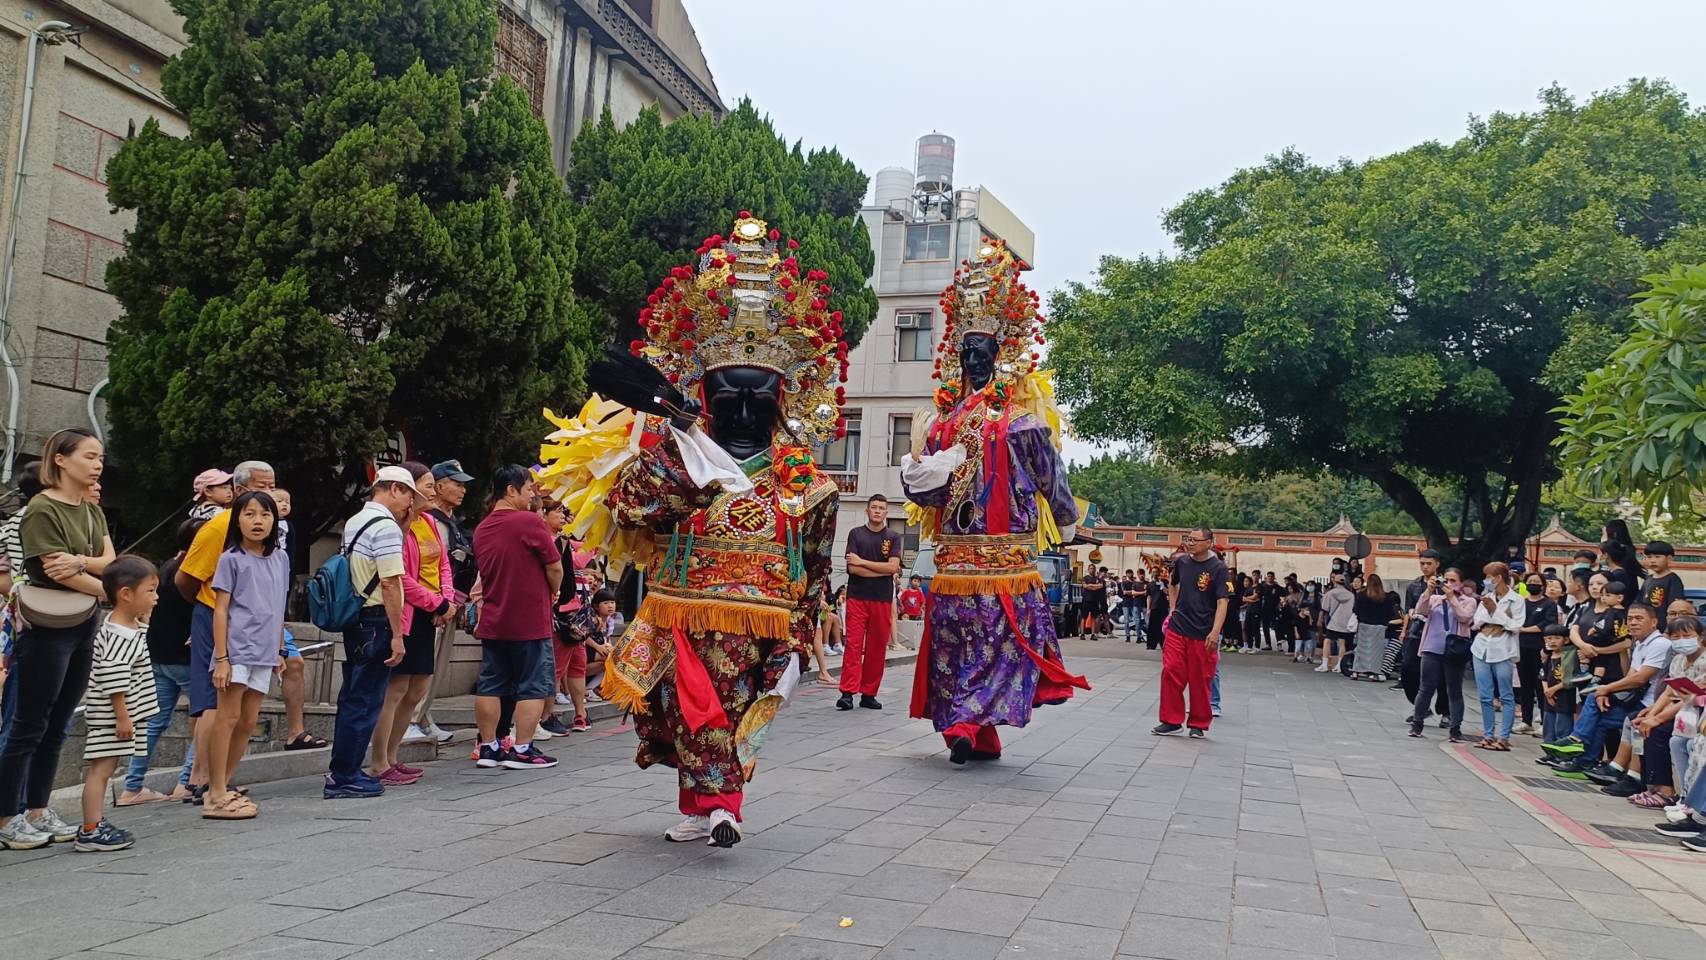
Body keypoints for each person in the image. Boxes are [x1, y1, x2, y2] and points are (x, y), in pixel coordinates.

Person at [536, 217, 842, 847]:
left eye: (762, 398)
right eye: (730, 396)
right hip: (681, 611)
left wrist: (806, 628)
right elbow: (629, 514)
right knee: (687, 711)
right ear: (706, 397)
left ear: (783, 401)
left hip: (761, 621)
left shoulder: (804, 483)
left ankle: (725, 803)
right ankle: (706, 805)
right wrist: (683, 458)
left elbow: (814, 566)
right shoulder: (674, 460)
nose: (746, 409)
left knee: (729, 711)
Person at [901, 239, 1087, 765]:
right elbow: (1046, 477)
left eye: (977, 349)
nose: (971, 358)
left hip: (980, 560)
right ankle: (966, 725)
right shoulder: (974, 422)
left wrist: (1067, 517)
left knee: (978, 645)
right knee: (978, 648)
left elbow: (1046, 473)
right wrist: (1068, 520)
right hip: (980, 560)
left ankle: (974, 729)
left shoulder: (979, 423)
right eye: (967, 349)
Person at [0, 429, 116, 849]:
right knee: (28, 722)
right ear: (61, 460)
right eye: (89, 456)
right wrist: (111, 591)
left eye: (100, 456)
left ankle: (37, 806)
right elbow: (55, 570)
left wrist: (87, 564)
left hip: (83, 621)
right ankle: (6, 815)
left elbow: (110, 561)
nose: (97, 464)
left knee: (60, 721)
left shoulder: (91, 509)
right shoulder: (41, 509)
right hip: (46, 625)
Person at [324, 466, 419, 799]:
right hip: (375, 619)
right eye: (409, 494)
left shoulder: (357, 520)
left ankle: (344, 770)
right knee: (365, 700)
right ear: (394, 489)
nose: (411, 502)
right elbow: (391, 581)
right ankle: (345, 776)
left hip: (357, 619)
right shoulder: (386, 527)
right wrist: (397, 634)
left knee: (353, 696)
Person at [204, 491, 290, 820]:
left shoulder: (280, 558)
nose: (257, 521)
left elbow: (278, 607)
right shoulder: (231, 558)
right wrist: (222, 658)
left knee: (249, 721)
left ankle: (224, 787)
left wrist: (280, 648)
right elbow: (221, 610)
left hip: (265, 651)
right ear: (236, 519)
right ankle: (214, 793)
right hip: (237, 649)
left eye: (265, 515)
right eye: (249, 514)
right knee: (227, 718)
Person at [470, 465, 563, 769]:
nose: (531, 495)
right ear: (511, 490)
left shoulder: (482, 528)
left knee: (491, 683)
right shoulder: (528, 522)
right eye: (528, 490)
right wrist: (553, 591)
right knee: (533, 685)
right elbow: (554, 566)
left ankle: (489, 747)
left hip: (495, 618)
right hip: (529, 618)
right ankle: (522, 748)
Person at [370, 463, 455, 785]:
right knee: (396, 688)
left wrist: (445, 599)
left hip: (431, 611)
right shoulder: (396, 526)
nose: (431, 492)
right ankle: (379, 761)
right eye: (427, 485)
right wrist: (436, 602)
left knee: (418, 686)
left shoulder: (431, 523)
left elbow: (443, 564)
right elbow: (399, 576)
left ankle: (393, 755)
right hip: (407, 611)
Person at [74, 555, 160, 852]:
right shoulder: (118, 635)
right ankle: (90, 828)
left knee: (106, 768)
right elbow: (114, 680)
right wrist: (122, 717)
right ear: (126, 594)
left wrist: (144, 618)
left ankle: (94, 824)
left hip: (119, 714)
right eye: (150, 591)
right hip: (111, 716)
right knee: (102, 769)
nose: (155, 597)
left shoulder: (126, 625)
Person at [118, 519, 201, 806]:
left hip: (158, 654)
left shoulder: (167, 566)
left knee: (154, 722)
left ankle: (132, 787)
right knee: (206, 717)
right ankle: (187, 782)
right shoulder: (194, 571)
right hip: (187, 656)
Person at [1546, 602, 1671, 780]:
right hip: (1636, 699)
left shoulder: (1659, 644)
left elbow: (1640, 679)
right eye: (1630, 619)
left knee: (1597, 707)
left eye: (1639, 618)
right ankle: (1585, 758)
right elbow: (1630, 675)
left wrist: (1606, 689)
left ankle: (1580, 746)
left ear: (1654, 622)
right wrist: (1605, 692)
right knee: (1597, 706)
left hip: (1650, 704)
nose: (1633, 622)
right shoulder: (1641, 644)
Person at [409, 460, 476, 744]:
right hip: (429, 605)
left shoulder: (449, 521)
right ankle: (412, 718)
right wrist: (438, 603)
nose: (462, 490)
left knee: (436, 665)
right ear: (438, 485)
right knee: (420, 667)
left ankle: (424, 716)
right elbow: (432, 565)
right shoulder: (430, 519)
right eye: (456, 484)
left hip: (449, 602)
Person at [1151, 528, 1229, 737]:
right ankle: (1170, 720)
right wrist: (1173, 609)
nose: (1189, 543)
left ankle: (1198, 723)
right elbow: (1173, 584)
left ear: (1209, 543)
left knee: (1201, 678)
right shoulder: (1182, 562)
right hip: (1178, 627)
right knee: (1171, 671)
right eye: (1188, 539)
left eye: (1194, 540)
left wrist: (1215, 632)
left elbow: (1223, 602)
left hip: (1203, 632)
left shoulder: (1218, 568)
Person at [1629, 615, 1705, 809]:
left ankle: (1667, 791)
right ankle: (1651, 785)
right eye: (1676, 637)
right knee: (1639, 725)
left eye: (1686, 635)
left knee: (1660, 732)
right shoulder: (1678, 660)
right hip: (1683, 713)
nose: (1681, 641)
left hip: (1697, 713)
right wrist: (1651, 714)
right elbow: (1669, 691)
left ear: (1700, 637)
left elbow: (1691, 697)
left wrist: (1657, 719)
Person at [838, 495, 901, 711]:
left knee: (877, 648)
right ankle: (847, 692)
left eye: (881, 508)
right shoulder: (856, 534)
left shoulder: (893, 537)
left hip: (882, 600)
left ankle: (869, 693)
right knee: (854, 645)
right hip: (857, 597)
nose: (877, 511)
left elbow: (893, 568)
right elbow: (852, 569)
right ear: (867, 511)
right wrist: (880, 570)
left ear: (886, 512)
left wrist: (864, 563)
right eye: (873, 507)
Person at [1409, 568, 1477, 740]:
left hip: (1455, 650)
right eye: (1445, 579)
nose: (1448, 583)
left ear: (1461, 583)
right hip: (1432, 647)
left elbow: (1464, 617)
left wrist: (1452, 598)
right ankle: (1417, 724)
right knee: (1425, 688)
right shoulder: (1434, 599)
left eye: (1453, 580)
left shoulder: (1468, 601)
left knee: (1454, 690)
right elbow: (1420, 610)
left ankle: (1455, 728)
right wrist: (1429, 590)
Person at [1470, 562, 1524, 751]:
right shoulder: (1487, 597)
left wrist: (1495, 611)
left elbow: (1515, 626)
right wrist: (1494, 614)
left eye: (1489, 577)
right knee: (1485, 695)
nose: (1487, 581)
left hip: (1503, 648)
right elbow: (1477, 622)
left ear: (1498, 577)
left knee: (1506, 695)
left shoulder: (1517, 600)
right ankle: (1488, 734)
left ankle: (1504, 737)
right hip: (1482, 646)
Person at [1513, 571, 1559, 736]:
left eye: (1536, 582)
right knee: (1525, 685)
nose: (1533, 584)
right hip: (1522, 648)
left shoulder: (1549, 604)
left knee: (1541, 685)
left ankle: (1544, 720)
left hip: (1539, 649)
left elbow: (1547, 624)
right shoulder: (1521, 603)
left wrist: (1524, 629)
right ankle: (1526, 720)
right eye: (1530, 581)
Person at [1350, 574, 1400, 681]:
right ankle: (1375, 672)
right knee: (1377, 651)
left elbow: (1356, 610)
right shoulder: (1386, 597)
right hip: (1379, 627)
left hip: (1364, 625)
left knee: (1361, 649)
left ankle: (1356, 671)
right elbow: (1390, 613)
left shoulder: (1361, 595)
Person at [1538, 625, 1577, 745]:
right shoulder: (1549, 658)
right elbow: (1543, 676)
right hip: (1549, 697)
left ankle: (1561, 752)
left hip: (1564, 697)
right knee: (1548, 725)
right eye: (1549, 638)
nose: (1552, 641)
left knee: (1562, 725)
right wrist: (1547, 691)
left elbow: (1569, 679)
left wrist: (1554, 689)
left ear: (1565, 640)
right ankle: (1549, 749)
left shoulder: (1569, 656)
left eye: (1556, 638)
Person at [1643, 541, 1687, 628]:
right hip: (1647, 627)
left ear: (1669, 558)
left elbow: (1675, 608)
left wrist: (1669, 630)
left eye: (1657, 557)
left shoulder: (1673, 579)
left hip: (1664, 628)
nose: (1652, 560)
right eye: (1649, 557)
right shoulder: (1648, 579)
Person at [1318, 572, 1355, 675]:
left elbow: (1325, 608)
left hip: (1334, 621)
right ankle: (1339, 665)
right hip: (1345, 622)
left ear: (1335, 582)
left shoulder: (1330, 593)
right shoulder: (1351, 595)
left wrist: (1320, 619)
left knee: (1327, 641)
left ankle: (1325, 664)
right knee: (1342, 643)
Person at [1080, 565, 1108, 639]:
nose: (1092, 570)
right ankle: (1082, 633)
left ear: (1095, 570)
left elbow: (1101, 586)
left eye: (1093, 569)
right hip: (1086, 600)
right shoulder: (1085, 578)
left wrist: (1091, 586)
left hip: (1095, 600)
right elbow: (1085, 586)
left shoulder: (1098, 578)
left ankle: (1093, 634)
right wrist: (1094, 586)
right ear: (1088, 569)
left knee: (1094, 617)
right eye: (1091, 569)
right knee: (1084, 617)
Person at [1259, 571, 1282, 651]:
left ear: (1274, 577)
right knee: (1265, 627)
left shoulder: (1277, 587)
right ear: (1266, 577)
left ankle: (1279, 644)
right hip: (1265, 610)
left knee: (1277, 627)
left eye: (1271, 576)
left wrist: (1280, 603)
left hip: (1274, 610)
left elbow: (1285, 595)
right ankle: (1268, 644)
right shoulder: (1263, 587)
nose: (1270, 578)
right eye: (1268, 576)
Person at [1146, 572, 1168, 651]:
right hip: (1154, 607)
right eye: (1155, 575)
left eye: (1158, 575)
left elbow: (1167, 592)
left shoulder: (1165, 582)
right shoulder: (1150, 584)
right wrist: (1148, 609)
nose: (1157, 577)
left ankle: (1163, 644)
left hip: (1163, 607)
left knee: (1163, 627)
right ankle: (1151, 644)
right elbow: (1149, 597)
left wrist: (1163, 586)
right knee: (1152, 627)